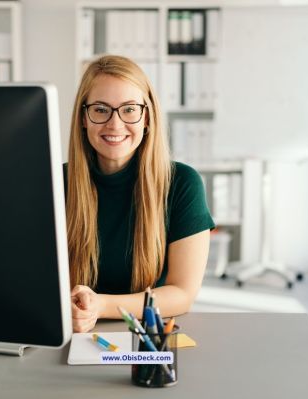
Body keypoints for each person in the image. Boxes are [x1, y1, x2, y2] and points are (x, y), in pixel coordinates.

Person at [66, 55, 215, 333]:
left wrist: (99, 306)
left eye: (129, 109)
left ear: (147, 117)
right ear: (83, 118)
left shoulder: (181, 183)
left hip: (147, 335)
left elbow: (182, 294)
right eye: (100, 109)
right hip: (71, 333)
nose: (115, 124)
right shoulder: (55, 183)